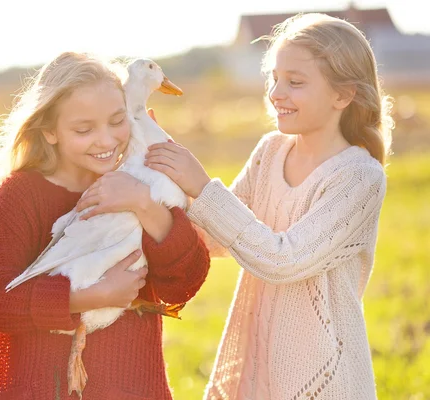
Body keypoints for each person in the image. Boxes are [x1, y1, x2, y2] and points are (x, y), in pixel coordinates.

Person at [145, 13, 393, 399]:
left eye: (295, 82)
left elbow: (282, 260)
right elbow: (214, 237)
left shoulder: (359, 177)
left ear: (342, 96)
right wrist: (164, 172)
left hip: (323, 377)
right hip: (257, 365)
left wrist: (201, 183)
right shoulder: (270, 151)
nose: (277, 92)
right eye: (274, 78)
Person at [0, 51, 210, 399]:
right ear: (50, 132)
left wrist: (142, 202)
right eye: (84, 129)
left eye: (117, 120)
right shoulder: (23, 194)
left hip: (131, 386)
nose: (106, 140)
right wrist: (90, 296)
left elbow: (184, 284)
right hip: (42, 387)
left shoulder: (143, 177)